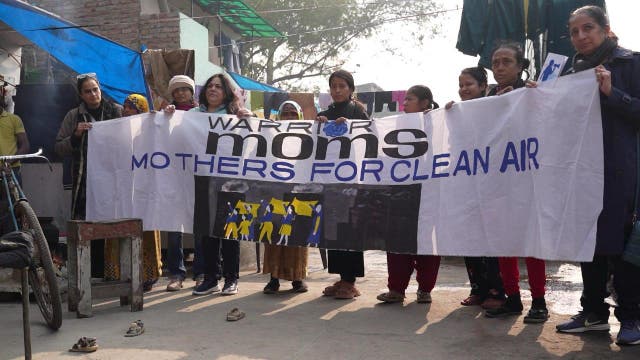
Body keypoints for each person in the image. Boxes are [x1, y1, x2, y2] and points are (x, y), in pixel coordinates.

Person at [555, 5, 640, 345]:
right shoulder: (568, 72)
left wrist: (612, 93)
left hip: (622, 172)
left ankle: (632, 317)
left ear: (606, 29)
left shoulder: (631, 63)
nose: (580, 37)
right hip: (581, 172)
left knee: (622, 247)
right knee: (587, 242)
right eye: (574, 32)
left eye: (587, 28)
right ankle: (593, 314)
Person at [481, 43, 549, 323]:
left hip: (528, 181)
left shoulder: (532, 92)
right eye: (495, 62)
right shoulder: (487, 97)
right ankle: (512, 299)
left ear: (521, 66)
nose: (499, 67)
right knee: (503, 243)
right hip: (497, 182)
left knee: (532, 243)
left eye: (506, 62)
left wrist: (526, 101)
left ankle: (539, 301)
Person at [446, 67, 507, 310]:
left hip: (493, 185)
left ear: (483, 85)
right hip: (466, 184)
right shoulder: (458, 113)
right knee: (469, 238)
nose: (463, 90)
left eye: (468, 84)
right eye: (460, 85)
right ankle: (477, 289)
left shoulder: (496, 106)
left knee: (491, 240)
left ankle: (496, 289)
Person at [376, 85, 441, 304]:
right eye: (404, 101)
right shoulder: (397, 125)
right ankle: (396, 289)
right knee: (397, 242)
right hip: (401, 193)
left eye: (409, 100)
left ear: (424, 103)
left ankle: (425, 289)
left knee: (427, 243)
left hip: (429, 192)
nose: (404, 104)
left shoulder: (440, 123)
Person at [55, 73, 122, 278]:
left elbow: (135, 133)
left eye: (96, 89)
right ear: (81, 95)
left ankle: (111, 271)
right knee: (86, 225)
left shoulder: (116, 111)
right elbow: (58, 148)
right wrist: (75, 136)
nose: (93, 94)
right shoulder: (73, 116)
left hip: (113, 180)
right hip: (85, 182)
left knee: (112, 224)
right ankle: (89, 273)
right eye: (88, 91)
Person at [191, 73, 252, 296]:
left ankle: (231, 279)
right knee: (207, 232)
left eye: (218, 86)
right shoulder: (193, 115)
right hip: (204, 181)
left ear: (226, 92)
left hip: (230, 182)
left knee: (229, 230)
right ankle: (210, 278)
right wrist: (168, 115)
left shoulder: (235, 115)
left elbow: (255, 136)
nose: (213, 89)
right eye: (210, 86)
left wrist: (250, 118)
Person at [316, 69, 369, 300]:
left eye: (342, 86)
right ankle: (341, 277)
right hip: (330, 183)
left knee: (350, 230)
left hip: (352, 181)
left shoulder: (358, 111)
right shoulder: (324, 114)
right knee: (333, 229)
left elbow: (369, 138)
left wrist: (352, 126)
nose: (337, 90)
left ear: (350, 89)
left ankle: (350, 281)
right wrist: (316, 125)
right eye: (333, 86)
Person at [103, 94, 162, 292]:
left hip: (144, 190)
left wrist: (156, 122)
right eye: (126, 107)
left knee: (144, 228)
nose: (127, 110)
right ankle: (118, 273)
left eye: (133, 108)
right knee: (118, 226)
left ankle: (148, 274)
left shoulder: (151, 132)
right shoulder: (116, 131)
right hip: (121, 189)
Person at [262, 101, 309, 294]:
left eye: (292, 114)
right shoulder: (269, 137)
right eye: (285, 114)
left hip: (299, 193)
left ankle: (298, 278)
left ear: (299, 116)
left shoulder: (308, 138)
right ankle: (273, 279)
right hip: (275, 192)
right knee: (273, 234)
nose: (289, 117)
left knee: (297, 236)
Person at [163, 75, 204, 292]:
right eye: (176, 90)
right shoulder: (167, 114)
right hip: (175, 175)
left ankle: (200, 273)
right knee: (174, 226)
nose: (180, 93)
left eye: (184, 89)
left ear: (192, 91)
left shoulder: (202, 114)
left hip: (197, 175)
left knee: (200, 226)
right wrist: (164, 118)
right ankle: (176, 274)